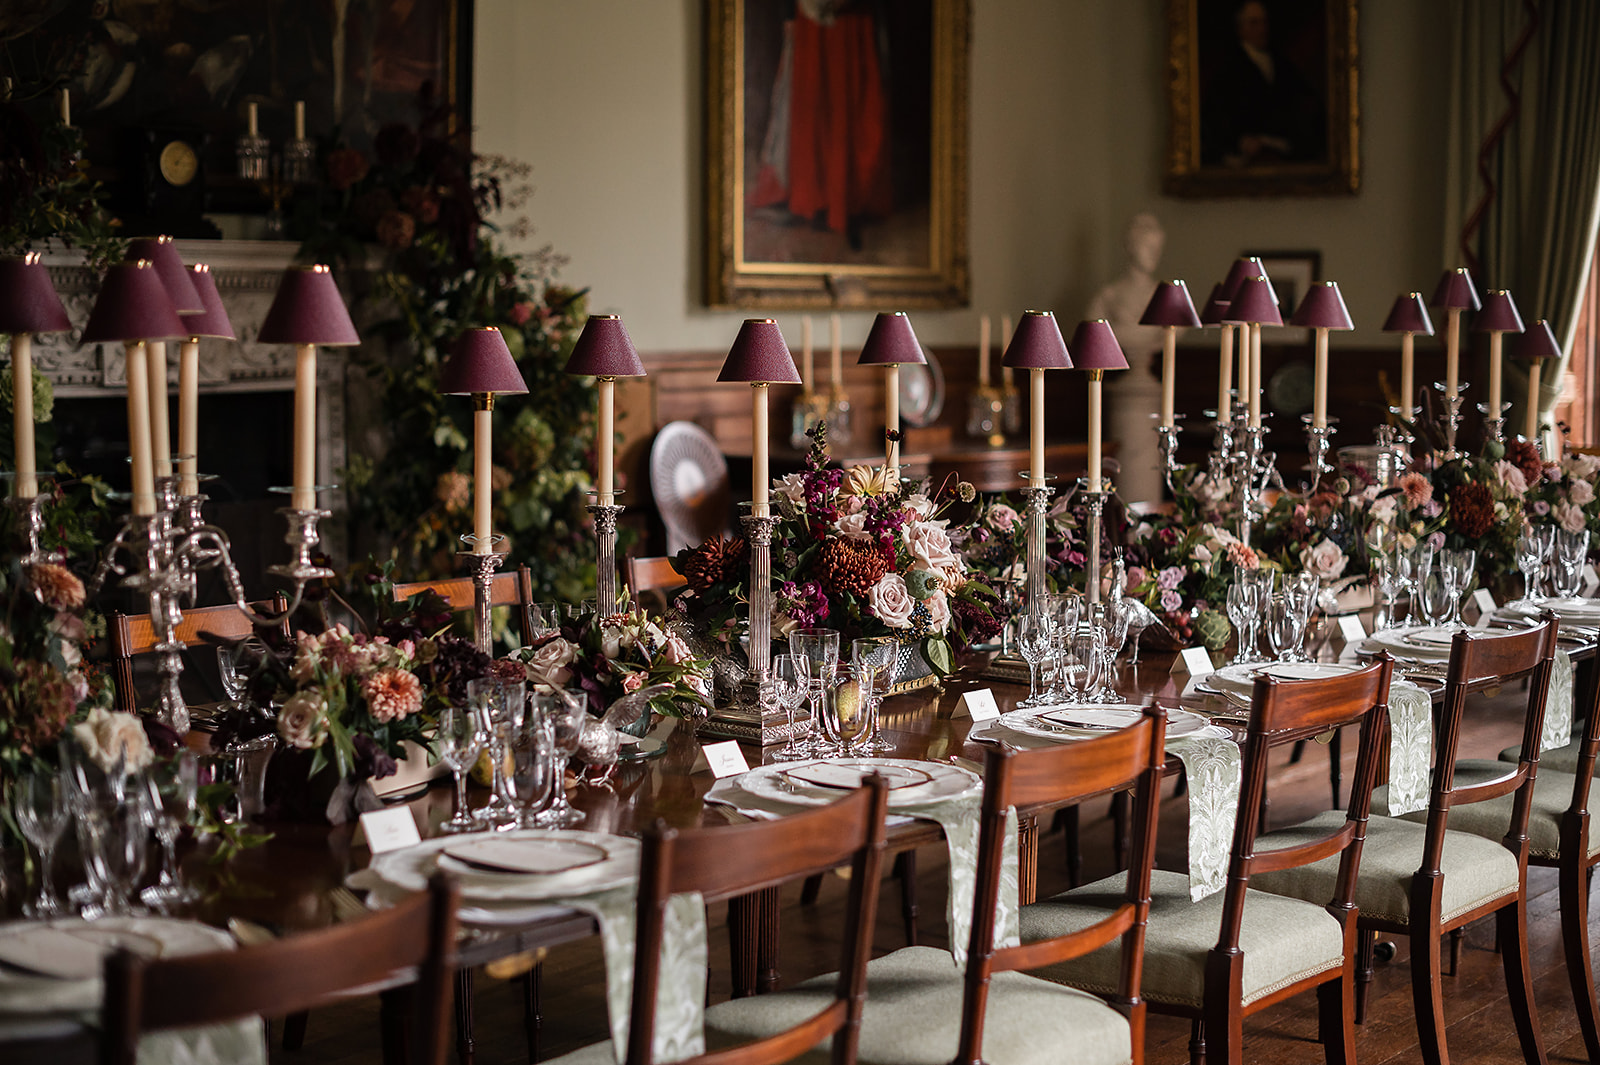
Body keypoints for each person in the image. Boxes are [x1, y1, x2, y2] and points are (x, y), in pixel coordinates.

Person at [749, 0, 892, 251]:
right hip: (811, 21)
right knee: (815, 107)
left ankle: (848, 201)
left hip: (854, 21)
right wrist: (788, 15)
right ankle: (816, 200)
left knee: (854, 104)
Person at [1201, 0, 1323, 168]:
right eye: (1254, 23)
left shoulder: (1283, 65)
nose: (1261, 29)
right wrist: (1240, 141)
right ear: (1240, 28)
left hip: (1282, 151)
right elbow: (1215, 117)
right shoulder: (1228, 69)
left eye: (1264, 22)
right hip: (1246, 156)